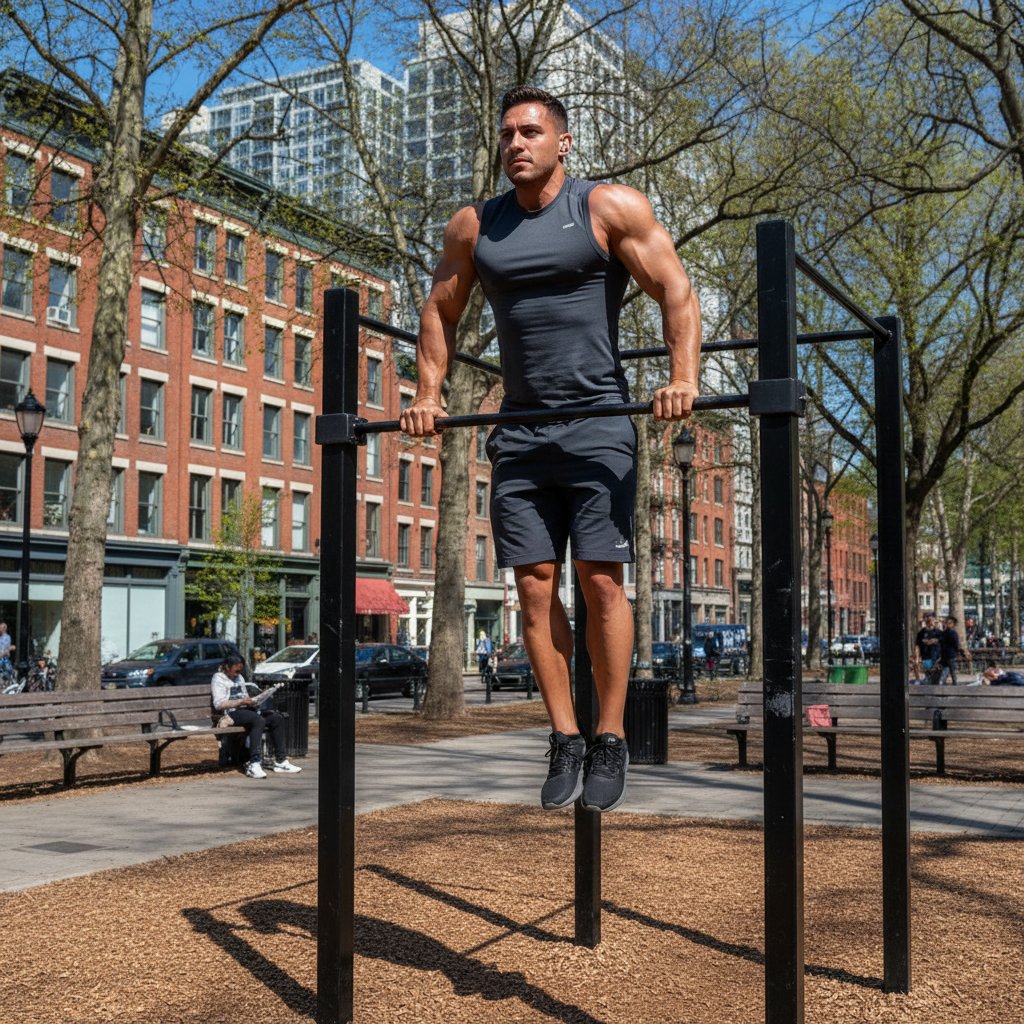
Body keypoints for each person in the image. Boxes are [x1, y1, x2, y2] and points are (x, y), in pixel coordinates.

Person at [399, 85, 701, 813]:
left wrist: (683, 377)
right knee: (533, 585)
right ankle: (564, 733)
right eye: (506, 134)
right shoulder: (476, 226)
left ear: (563, 142)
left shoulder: (607, 209)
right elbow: (440, 307)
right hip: (522, 432)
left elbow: (676, 292)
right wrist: (429, 393)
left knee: (600, 582)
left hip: (599, 426)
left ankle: (610, 735)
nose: (515, 144)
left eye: (530, 132)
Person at [211, 654, 302, 778]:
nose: (238, 673)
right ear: (227, 667)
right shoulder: (218, 678)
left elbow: (244, 696)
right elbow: (218, 704)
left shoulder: (240, 678)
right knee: (257, 720)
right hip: (230, 715)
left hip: (246, 711)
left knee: (276, 718)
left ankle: (281, 761)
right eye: (236, 670)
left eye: (240, 670)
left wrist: (254, 701)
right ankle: (254, 763)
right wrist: (241, 702)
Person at [937, 616, 965, 686]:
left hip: (948, 655)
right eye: (947, 622)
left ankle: (942, 682)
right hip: (949, 655)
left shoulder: (946, 633)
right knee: (951, 671)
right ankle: (952, 684)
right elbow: (956, 644)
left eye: (950, 623)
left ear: (953, 624)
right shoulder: (949, 633)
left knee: (947, 670)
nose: (948, 624)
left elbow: (955, 644)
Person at [915, 613, 942, 684]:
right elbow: (917, 645)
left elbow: (944, 644)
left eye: (933, 619)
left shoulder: (939, 632)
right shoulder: (921, 633)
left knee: (935, 679)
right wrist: (917, 658)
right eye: (929, 619)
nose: (932, 621)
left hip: (936, 657)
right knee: (928, 675)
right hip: (926, 657)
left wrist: (935, 641)